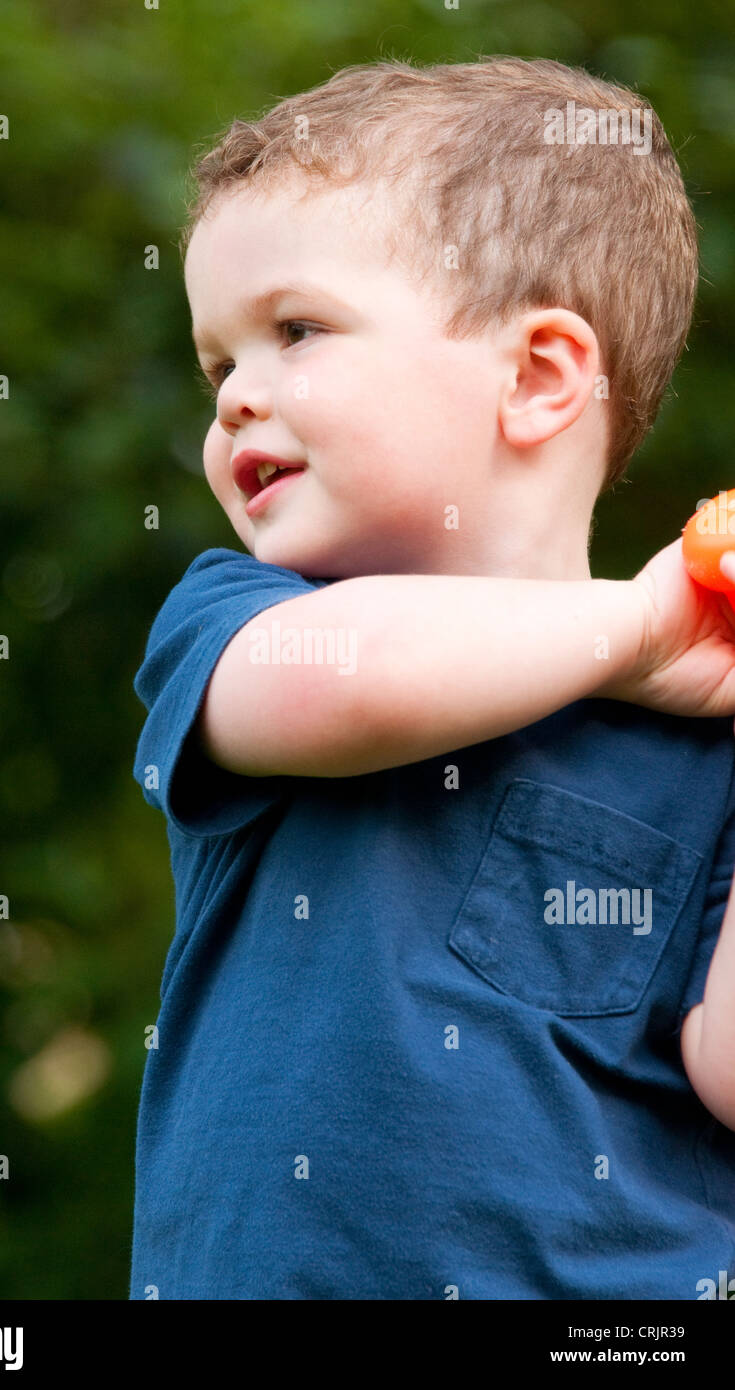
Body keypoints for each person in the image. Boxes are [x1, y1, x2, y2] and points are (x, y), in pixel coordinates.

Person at [130, 56, 735, 1299]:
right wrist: (630, 630)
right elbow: (345, 688)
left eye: (294, 331)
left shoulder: (709, 732)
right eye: (215, 366)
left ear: (536, 377)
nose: (236, 398)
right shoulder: (249, 617)